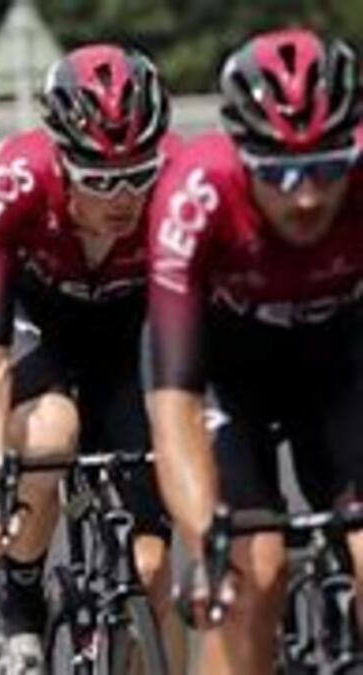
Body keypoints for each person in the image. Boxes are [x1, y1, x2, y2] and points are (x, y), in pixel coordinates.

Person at [147, 29, 363, 675]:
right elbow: (173, 397)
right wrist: (204, 537)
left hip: (340, 361)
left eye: (326, 169)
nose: (306, 197)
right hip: (223, 371)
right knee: (251, 572)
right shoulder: (194, 197)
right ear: (243, 159)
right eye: (281, 172)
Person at [0, 45, 184, 672]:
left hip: (125, 332)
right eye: (100, 178)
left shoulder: (179, 190)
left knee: (151, 569)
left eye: (139, 173)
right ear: (62, 160)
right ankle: (22, 605)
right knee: (53, 429)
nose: (124, 198)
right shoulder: (15, 182)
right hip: (39, 324)